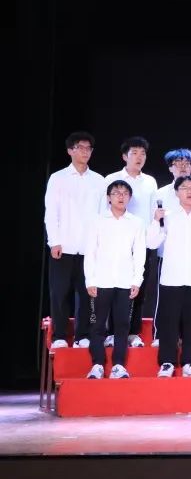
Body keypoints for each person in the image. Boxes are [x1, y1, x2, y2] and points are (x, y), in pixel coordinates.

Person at [146, 175, 191, 378]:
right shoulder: (167, 217)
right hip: (171, 278)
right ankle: (167, 362)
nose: (189, 191)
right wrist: (156, 221)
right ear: (177, 193)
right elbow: (152, 243)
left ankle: (190, 363)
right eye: (184, 188)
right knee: (168, 323)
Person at [44, 131, 106, 349]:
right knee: (59, 292)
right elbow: (51, 212)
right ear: (70, 150)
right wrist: (54, 241)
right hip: (64, 245)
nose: (85, 152)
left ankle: (83, 335)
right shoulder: (58, 178)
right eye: (80, 147)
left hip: (89, 247)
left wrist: (99, 244)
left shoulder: (99, 180)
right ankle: (59, 335)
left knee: (87, 293)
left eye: (89, 148)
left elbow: (102, 215)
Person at [100, 137, 158, 348]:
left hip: (141, 242)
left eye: (143, 153)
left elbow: (153, 213)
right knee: (112, 288)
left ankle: (133, 332)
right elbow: (102, 211)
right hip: (115, 243)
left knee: (138, 289)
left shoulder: (150, 182)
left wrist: (151, 239)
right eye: (134, 153)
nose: (139, 157)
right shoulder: (112, 179)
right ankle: (110, 332)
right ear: (125, 156)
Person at [84, 179, 146, 379]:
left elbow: (140, 254)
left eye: (125, 193)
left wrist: (137, 280)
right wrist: (90, 280)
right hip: (101, 281)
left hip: (125, 282)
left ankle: (118, 365)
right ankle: (97, 364)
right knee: (97, 325)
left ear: (130, 198)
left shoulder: (136, 223)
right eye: (116, 193)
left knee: (122, 325)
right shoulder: (97, 221)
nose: (121, 196)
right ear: (108, 197)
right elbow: (90, 252)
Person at [150, 148, 191, 345]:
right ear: (170, 168)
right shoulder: (160, 193)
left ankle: (189, 338)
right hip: (168, 253)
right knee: (165, 299)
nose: (183, 166)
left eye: (187, 163)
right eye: (178, 163)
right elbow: (155, 224)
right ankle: (161, 335)